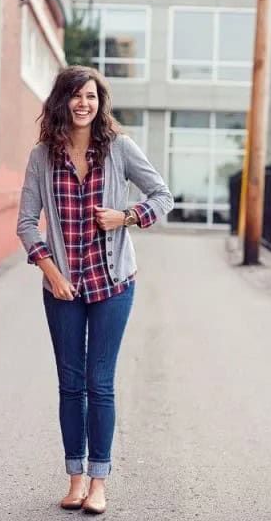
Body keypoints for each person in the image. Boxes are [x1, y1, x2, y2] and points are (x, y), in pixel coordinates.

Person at [16, 65, 173, 514]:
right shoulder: (42, 155)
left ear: (100, 102)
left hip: (112, 284)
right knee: (70, 385)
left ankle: (99, 483)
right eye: (75, 95)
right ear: (61, 101)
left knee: (99, 384)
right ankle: (75, 478)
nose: (84, 103)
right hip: (62, 287)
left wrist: (124, 217)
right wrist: (51, 272)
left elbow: (162, 195)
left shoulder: (119, 148)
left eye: (91, 96)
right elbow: (27, 224)